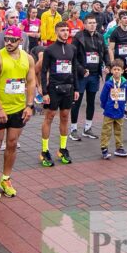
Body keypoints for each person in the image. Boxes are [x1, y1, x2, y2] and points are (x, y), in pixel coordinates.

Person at [0, 25, 36, 199]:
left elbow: (31, 82)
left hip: (18, 108)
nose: (9, 43)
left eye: (13, 40)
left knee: (12, 143)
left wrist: (29, 105)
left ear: (20, 41)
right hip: (0, 109)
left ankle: (5, 179)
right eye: (6, 39)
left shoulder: (28, 59)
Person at [37, 22, 78, 167]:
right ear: (56, 32)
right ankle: (44, 150)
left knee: (65, 117)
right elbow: (43, 71)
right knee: (49, 117)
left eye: (67, 30)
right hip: (54, 88)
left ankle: (63, 148)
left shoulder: (72, 48)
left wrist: (77, 89)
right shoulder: (49, 50)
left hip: (68, 88)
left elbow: (74, 71)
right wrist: (45, 92)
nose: (65, 33)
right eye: (62, 30)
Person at [71, 15, 107, 141]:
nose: (92, 25)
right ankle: (73, 129)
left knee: (91, 102)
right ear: (84, 25)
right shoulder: (79, 37)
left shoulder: (100, 37)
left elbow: (105, 52)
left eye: (94, 23)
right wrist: (81, 69)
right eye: (89, 23)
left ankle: (87, 128)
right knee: (77, 102)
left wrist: (107, 65)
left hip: (94, 75)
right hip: (82, 75)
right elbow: (73, 57)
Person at [99, 60, 127, 159]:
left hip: (120, 111)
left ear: (122, 71)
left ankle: (119, 148)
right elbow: (103, 97)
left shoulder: (125, 83)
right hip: (109, 111)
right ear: (111, 71)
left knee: (119, 130)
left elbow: (125, 96)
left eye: (118, 69)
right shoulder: (108, 83)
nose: (116, 71)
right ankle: (104, 148)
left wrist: (124, 106)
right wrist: (105, 106)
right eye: (115, 69)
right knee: (106, 130)